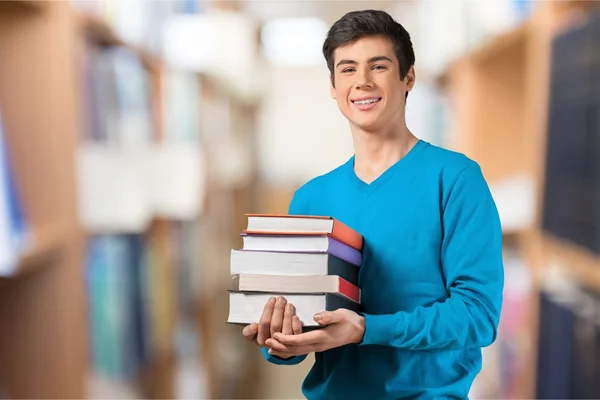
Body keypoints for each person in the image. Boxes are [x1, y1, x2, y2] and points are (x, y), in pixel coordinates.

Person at [242, 9, 504, 399]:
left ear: (408, 77)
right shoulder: (311, 198)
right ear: (332, 86)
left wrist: (367, 329)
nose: (362, 82)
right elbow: (297, 336)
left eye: (378, 66)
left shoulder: (455, 179)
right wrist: (279, 340)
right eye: (347, 70)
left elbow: (477, 316)